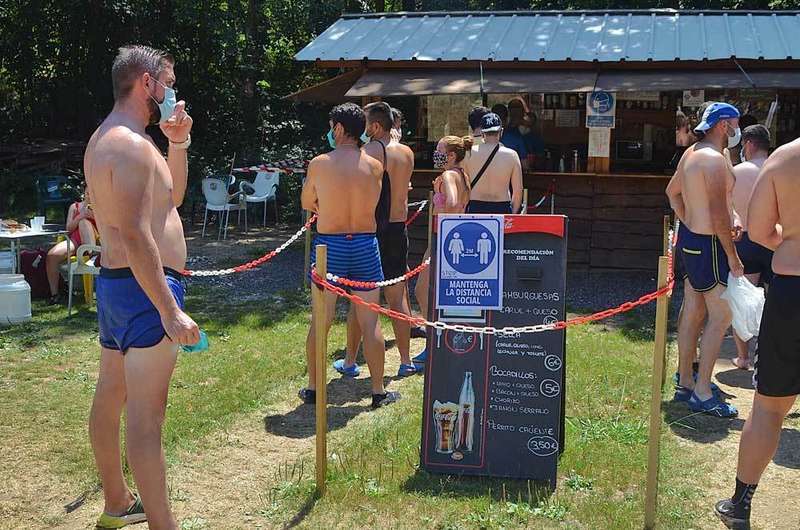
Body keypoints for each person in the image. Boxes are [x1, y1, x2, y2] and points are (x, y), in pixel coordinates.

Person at [83, 45, 200, 530]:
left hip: (120, 287)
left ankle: (117, 502)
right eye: (168, 83)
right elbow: (134, 233)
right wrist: (169, 308)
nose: (173, 93)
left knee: (111, 393)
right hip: (145, 289)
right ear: (147, 83)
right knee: (147, 419)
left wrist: (178, 142)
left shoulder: (113, 138)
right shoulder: (129, 145)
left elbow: (172, 197)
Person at [714, 137, 800, 530]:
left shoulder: (785, 158)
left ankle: (740, 504)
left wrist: (792, 237)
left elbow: (760, 231)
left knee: (768, 408)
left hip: (792, 286)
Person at [301, 103, 400, 409]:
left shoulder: (320, 163)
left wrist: (326, 205)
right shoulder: (374, 166)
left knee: (321, 320)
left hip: (329, 246)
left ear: (339, 128)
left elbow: (307, 201)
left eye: (332, 126)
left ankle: (314, 388)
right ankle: (378, 391)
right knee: (371, 322)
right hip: (365, 244)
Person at [666, 101, 744, 418]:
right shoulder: (713, 159)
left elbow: (672, 193)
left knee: (694, 309)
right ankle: (702, 391)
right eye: (736, 123)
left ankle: (686, 380)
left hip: (693, 240)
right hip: (710, 244)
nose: (738, 129)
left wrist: (689, 221)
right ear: (724, 125)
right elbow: (717, 213)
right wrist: (733, 257)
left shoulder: (693, 153)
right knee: (722, 316)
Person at [339, 101, 417, 378]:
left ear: (374, 126)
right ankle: (406, 360)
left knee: (360, 298)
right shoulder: (406, 152)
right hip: (398, 228)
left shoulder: (371, 150)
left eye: (364, 123)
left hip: (374, 230)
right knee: (398, 297)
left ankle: (350, 361)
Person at [412, 135, 472, 369]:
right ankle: (441, 341)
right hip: (449, 238)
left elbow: (454, 203)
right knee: (438, 295)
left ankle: (434, 342)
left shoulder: (448, 176)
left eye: (439, 150)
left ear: (451, 155)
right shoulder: (462, 174)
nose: (435, 154)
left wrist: (443, 218)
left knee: (421, 291)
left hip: (443, 238)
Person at [731, 124, 772, 370]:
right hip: (775, 239)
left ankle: (743, 357)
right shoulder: (778, 169)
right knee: (776, 299)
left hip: (745, 239)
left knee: (742, 300)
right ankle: (769, 355)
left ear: (748, 144)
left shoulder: (737, 172)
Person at [464, 113, 523, 214]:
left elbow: (463, 186)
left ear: (482, 133)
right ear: (501, 132)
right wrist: (512, 214)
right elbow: (518, 191)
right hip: (502, 207)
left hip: (475, 207)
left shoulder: (469, 154)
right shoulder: (512, 155)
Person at [45, 193, 98, 304]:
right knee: (52, 255)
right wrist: (80, 216)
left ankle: (91, 252)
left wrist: (92, 216)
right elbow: (68, 229)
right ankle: (55, 294)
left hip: (96, 240)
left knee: (84, 223)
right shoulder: (75, 207)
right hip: (75, 240)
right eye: (87, 192)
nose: (89, 194)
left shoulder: (102, 206)